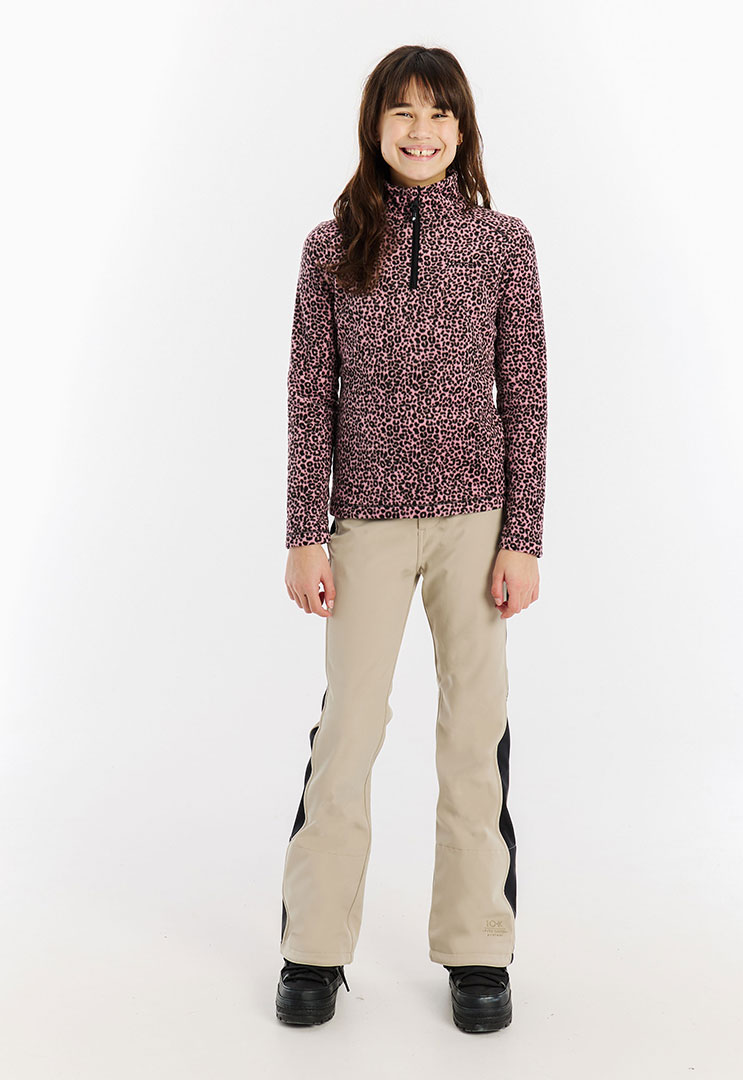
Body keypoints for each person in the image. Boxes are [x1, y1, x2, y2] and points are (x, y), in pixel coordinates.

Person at [276, 44, 548, 1034]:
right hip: (366, 525)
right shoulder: (331, 245)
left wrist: (523, 536)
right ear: (376, 125)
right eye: (404, 112)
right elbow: (310, 397)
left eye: (440, 114)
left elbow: (527, 395)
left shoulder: (504, 244)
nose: (421, 131)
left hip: (476, 521)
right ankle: (314, 948)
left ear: (463, 130)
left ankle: (479, 949)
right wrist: (305, 532)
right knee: (350, 728)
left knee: (476, 731)